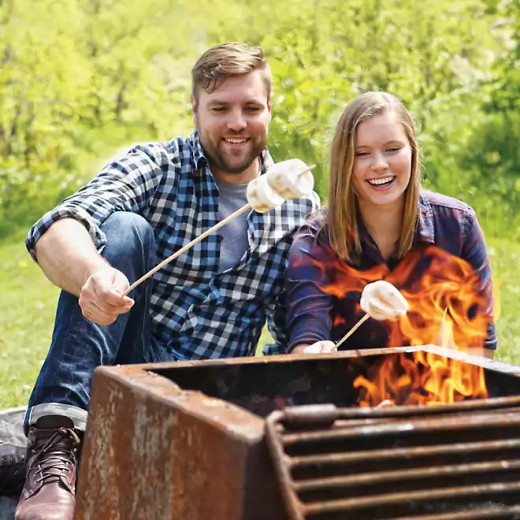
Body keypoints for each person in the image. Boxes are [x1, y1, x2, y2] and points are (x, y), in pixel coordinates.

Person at [5, 42, 319, 520]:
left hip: (205, 403)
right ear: (194, 108)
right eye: (220, 108)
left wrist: (310, 350)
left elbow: (293, 324)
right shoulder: (159, 165)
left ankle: (84, 457)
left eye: (251, 107)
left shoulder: (298, 208)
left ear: (269, 108)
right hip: (126, 375)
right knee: (122, 230)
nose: (237, 122)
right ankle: (55, 447)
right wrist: (93, 277)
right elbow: (58, 226)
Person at [286, 91, 496, 357]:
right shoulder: (315, 240)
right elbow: (305, 341)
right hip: (340, 389)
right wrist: (314, 354)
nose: (380, 164)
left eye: (392, 149)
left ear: (412, 151)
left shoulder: (457, 226)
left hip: (428, 388)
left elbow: (478, 349)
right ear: (344, 163)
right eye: (362, 153)